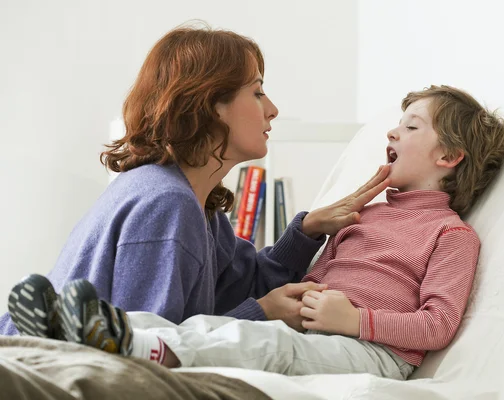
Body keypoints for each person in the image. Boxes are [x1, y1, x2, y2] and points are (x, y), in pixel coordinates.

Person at [8, 85, 504, 380]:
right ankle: (94, 332)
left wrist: (358, 321)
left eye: (412, 127)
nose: (391, 133)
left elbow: (437, 324)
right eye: (257, 89)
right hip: (314, 332)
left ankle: (135, 349)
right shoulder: (365, 216)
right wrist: (313, 234)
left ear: (449, 157)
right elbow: (267, 285)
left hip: (371, 352)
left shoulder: (451, 235)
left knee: (265, 345)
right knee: (217, 332)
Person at [0, 24, 391, 337]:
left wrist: (305, 230)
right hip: (47, 364)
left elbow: (247, 282)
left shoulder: (196, 205)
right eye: (257, 93)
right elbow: (151, 347)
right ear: (209, 105)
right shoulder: (167, 205)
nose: (272, 110)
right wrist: (263, 314)